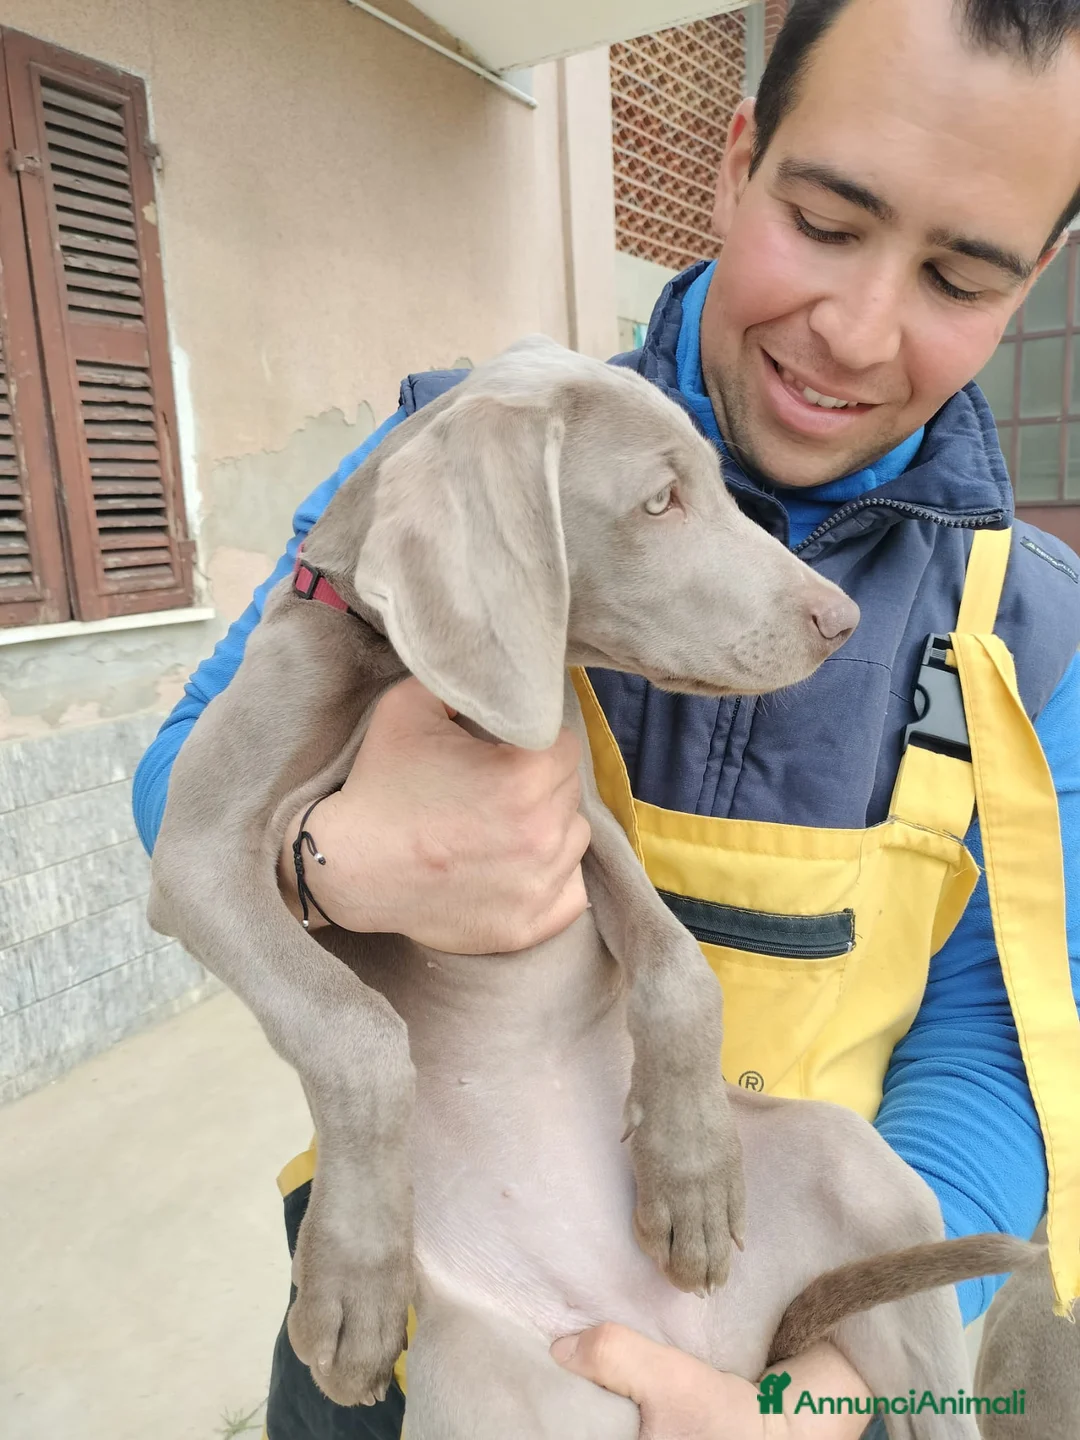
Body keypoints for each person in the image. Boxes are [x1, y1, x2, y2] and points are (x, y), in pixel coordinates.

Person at [132, 0, 1080, 1435]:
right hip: (433, 1269)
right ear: (739, 160)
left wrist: (807, 1403)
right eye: (826, 223)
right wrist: (334, 853)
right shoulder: (478, 453)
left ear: (1036, 283)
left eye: (959, 275)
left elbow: (998, 1039)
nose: (855, 327)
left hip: (780, 1273)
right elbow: (179, 786)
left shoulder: (1035, 627)